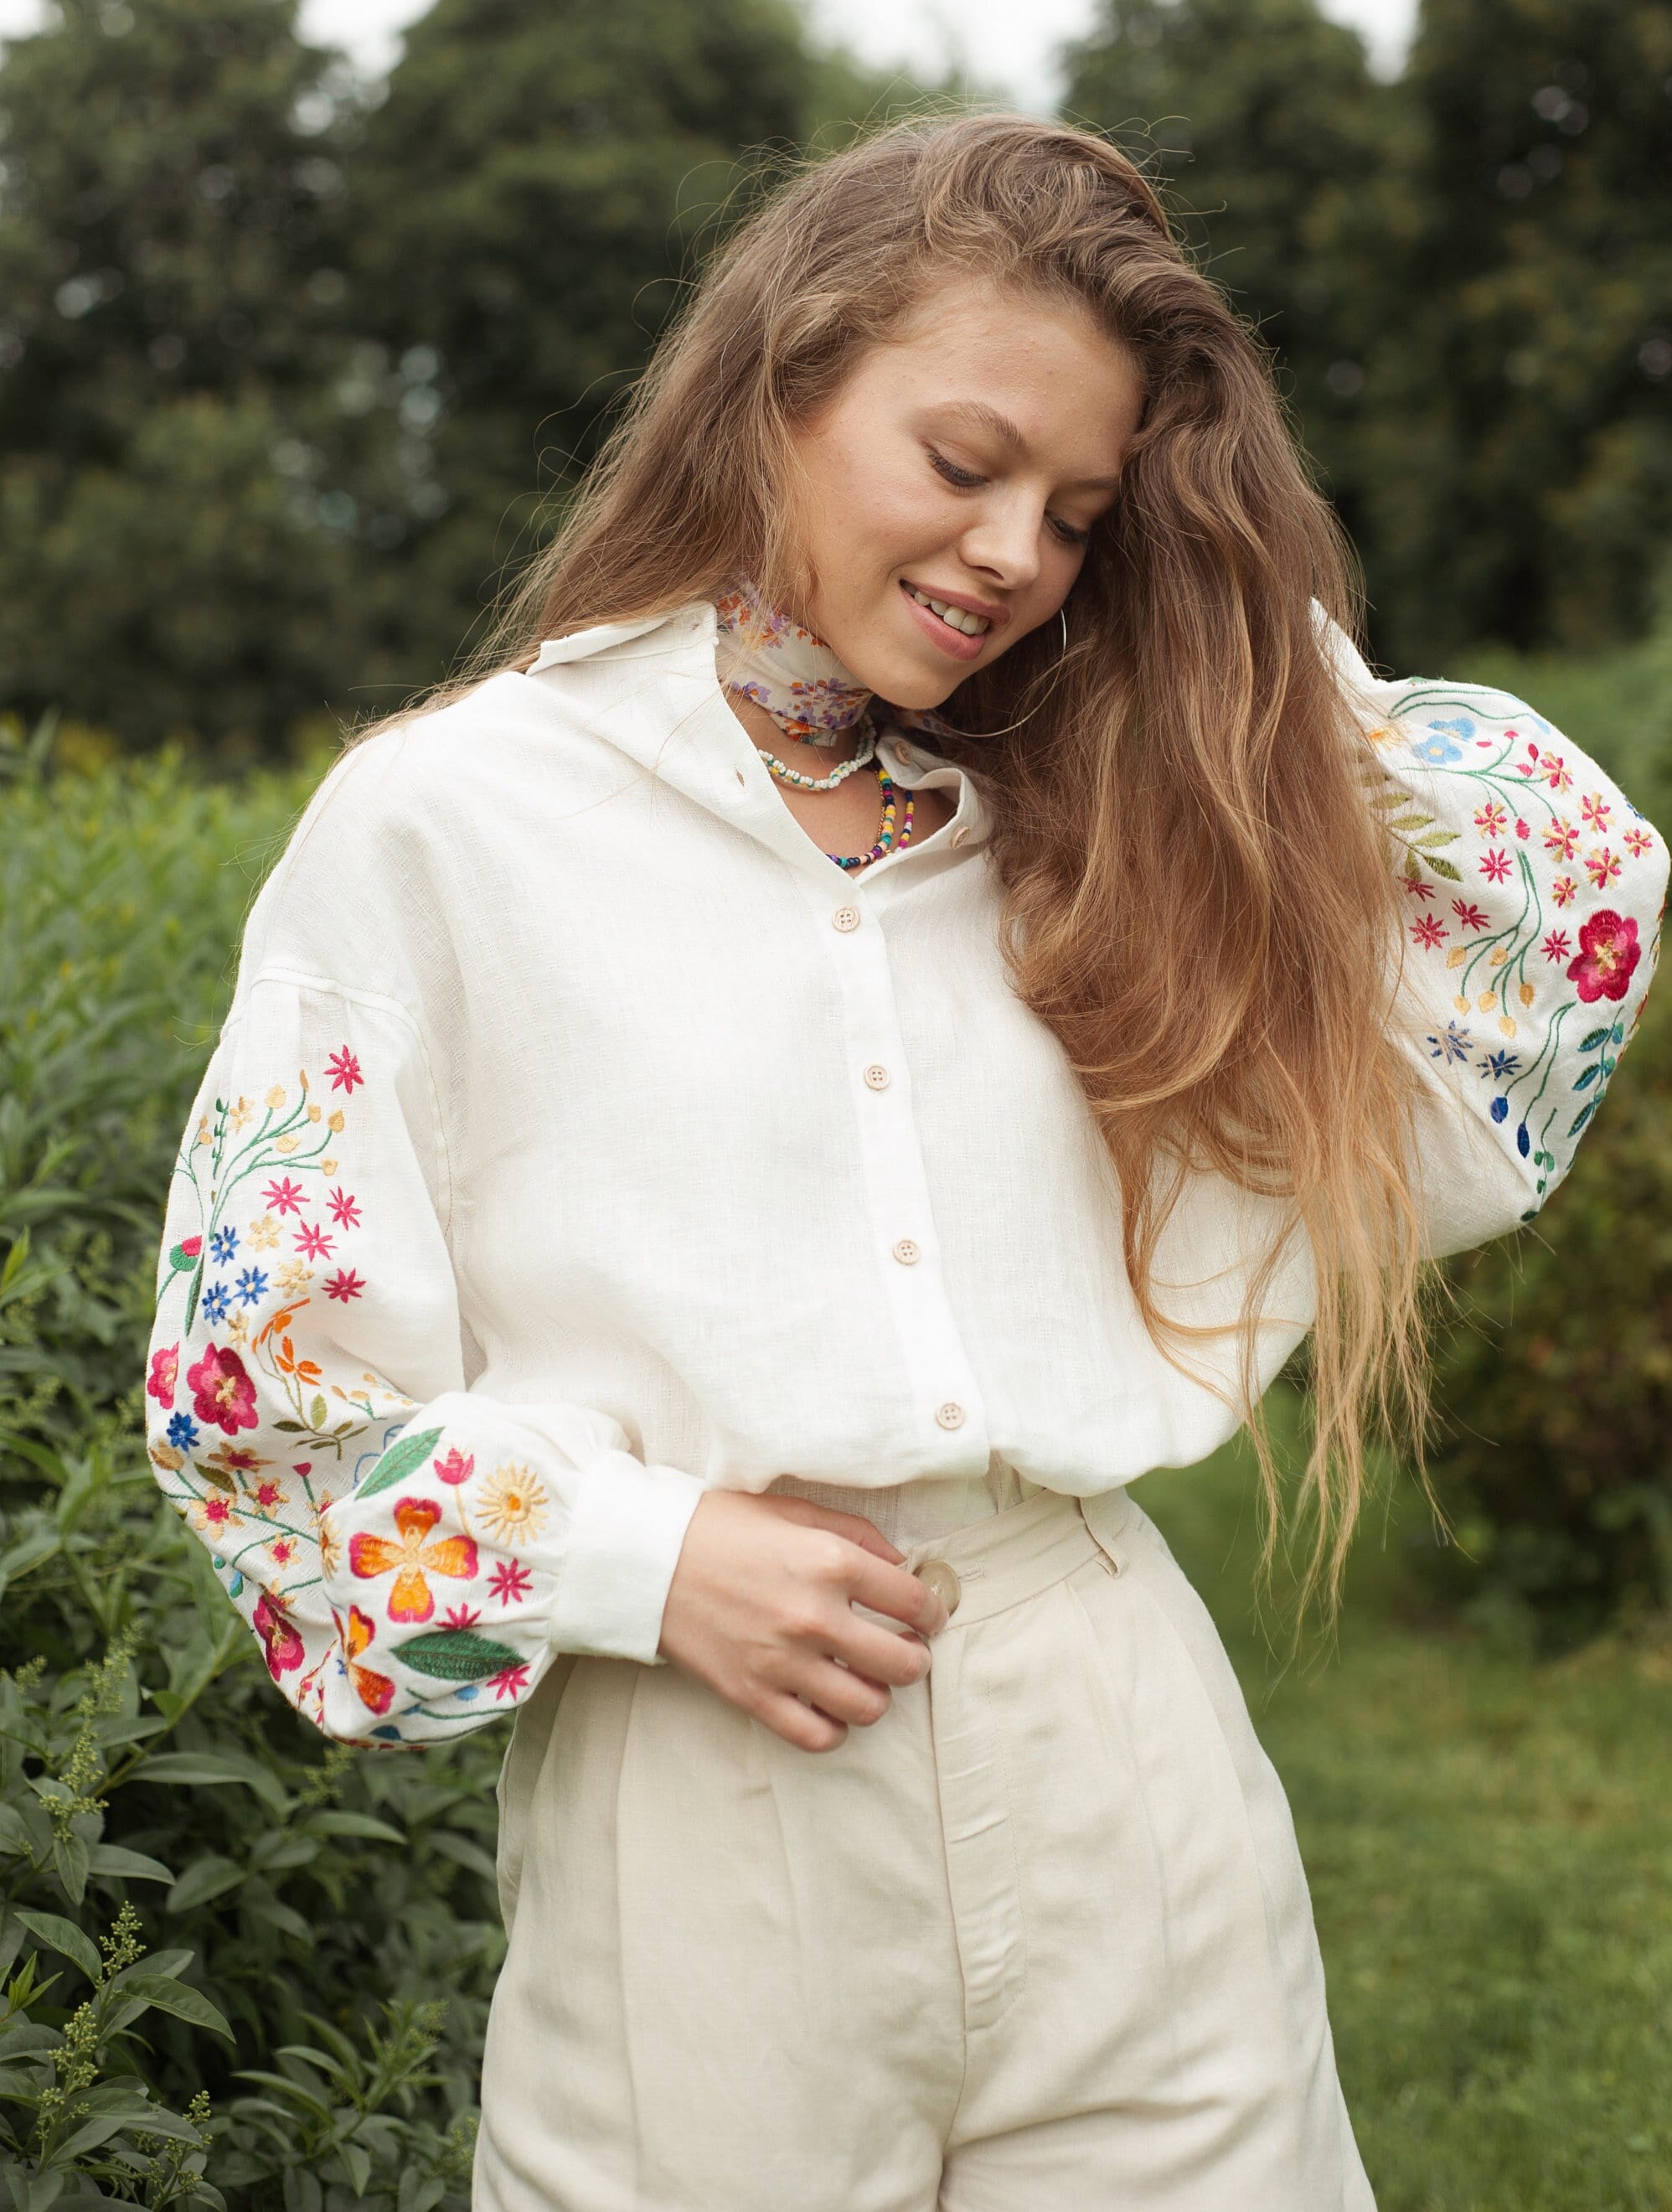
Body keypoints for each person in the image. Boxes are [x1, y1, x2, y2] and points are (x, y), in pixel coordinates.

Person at [142, 115, 1667, 2212]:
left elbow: (1555, 916)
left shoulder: (1112, 801)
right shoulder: (446, 827)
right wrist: (638, 1555)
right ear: (778, 383)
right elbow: (262, 1422)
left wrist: (1217, 615)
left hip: (1114, 1746)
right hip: (704, 1788)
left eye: (1076, 512)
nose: (1009, 557)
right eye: (960, 465)